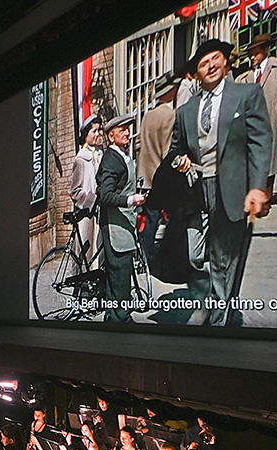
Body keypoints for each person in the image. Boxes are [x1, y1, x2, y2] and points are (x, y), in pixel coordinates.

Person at [171, 39, 273, 326]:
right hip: (195, 191)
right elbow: (175, 149)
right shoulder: (186, 110)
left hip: (230, 187)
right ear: (197, 74)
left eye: (215, 59)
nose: (211, 66)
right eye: (203, 64)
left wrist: (257, 185)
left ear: (226, 62)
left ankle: (218, 321)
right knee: (195, 255)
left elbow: (261, 141)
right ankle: (213, 299)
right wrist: (178, 160)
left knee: (222, 255)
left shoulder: (247, 94)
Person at [97, 113, 146, 322]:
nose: (127, 132)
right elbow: (105, 195)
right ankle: (122, 322)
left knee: (117, 278)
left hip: (124, 226)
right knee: (120, 278)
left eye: (128, 128)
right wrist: (131, 200)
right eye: (122, 129)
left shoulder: (122, 156)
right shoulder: (112, 159)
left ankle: (112, 319)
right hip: (116, 227)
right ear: (111, 136)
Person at [237, 34, 277, 197]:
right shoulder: (246, 75)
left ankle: (267, 194)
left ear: (266, 50)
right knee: (254, 158)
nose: (252, 58)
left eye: (256, 53)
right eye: (250, 54)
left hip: (272, 120)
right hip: (252, 124)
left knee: (271, 159)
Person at [138, 72, 180, 265]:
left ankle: (146, 255)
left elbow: (140, 145)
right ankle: (155, 258)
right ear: (169, 92)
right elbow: (167, 151)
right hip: (161, 178)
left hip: (145, 176)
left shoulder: (148, 116)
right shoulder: (169, 115)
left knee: (150, 219)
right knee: (169, 217)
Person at [70, 114, 104, 264]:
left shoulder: (99, 155)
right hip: (85, 215)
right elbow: (74, 191)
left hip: (99, 213)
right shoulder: (81, 160)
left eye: (98, 131)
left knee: (98, 251)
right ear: (86, 135)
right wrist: (91, 199)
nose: (97, 135)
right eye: (93, 131)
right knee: (85, 254)